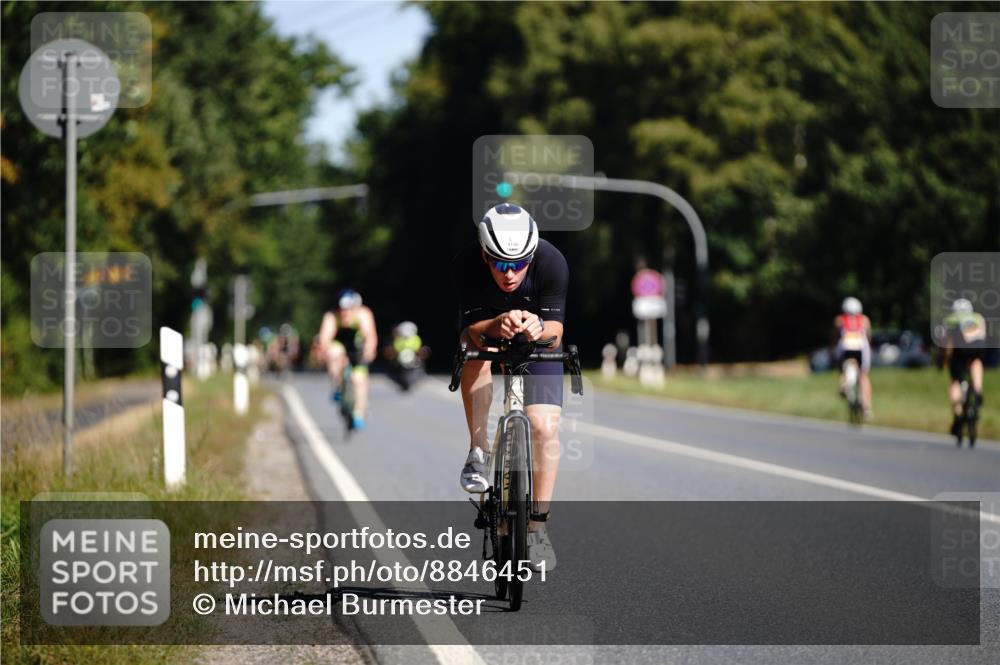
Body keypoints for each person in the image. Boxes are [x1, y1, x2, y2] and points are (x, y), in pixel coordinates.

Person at [452, 202, 568, 571]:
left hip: (537, 343)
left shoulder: (552, 262)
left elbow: (556, 330)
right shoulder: (466, 264)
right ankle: (478, 450)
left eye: (520, 264)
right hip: (486, 333)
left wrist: (537, 327)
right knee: (474, 350)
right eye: (501, 263)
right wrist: (497, 321)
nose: (511, 273)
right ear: (485, 255)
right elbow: (471, 329)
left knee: (545, 427)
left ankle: (537, 529)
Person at [318, 289, 378, 430]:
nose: (344, 313)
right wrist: (325, 351)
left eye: (348, 310)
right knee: (334, 353)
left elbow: (370, 336)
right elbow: (324, 338)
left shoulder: (363, 314)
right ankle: (338, 385)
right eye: (341, 310)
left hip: (357, 349)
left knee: (359, 380)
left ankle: (359, 413)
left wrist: (369, 351)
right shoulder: (331, 316)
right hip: (340, 348)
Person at [941, 298, 986, 437]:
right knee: (976, 362)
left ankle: (958, 412)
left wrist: (944, 360)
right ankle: (978, 390)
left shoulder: (950, 320)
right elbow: (983, 336)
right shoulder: (978, 318)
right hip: (977, 348)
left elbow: (946, 344)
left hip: (959, 351)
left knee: (955, 381)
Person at [834, 296, 873, 419]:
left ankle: (843, 383)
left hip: (845, 349)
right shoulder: (864, 320)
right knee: (863, 375)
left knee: (840, 367)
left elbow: (836, 337)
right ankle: (867, 407)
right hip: (861, 349)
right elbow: (868, 337)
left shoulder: (839, 320)